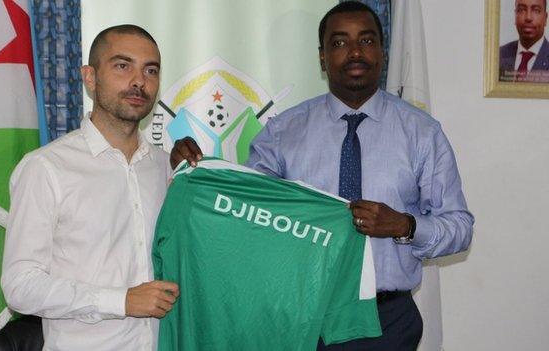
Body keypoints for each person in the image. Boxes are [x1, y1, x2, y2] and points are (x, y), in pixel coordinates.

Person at [171, 2, 474, 350]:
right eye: (340, 42)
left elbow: (460, 227)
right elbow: (247, 216)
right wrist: (195, 171)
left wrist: (405, 226)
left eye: (367, 40)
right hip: (300, 318)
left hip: (386, 321)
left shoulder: (423, 133)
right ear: (322, 57)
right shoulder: (283, 132)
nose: (355, 52)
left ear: (383, 51)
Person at [1, 25, 179, 351]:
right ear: (90, 77)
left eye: (150, 70)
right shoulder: (46, 168)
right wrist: (120, 301)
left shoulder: (166, 168)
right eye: (122, 66)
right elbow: (20, 286)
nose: (139, 81)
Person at [500, 0, 549, 82]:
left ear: (545, 18)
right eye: (522, 10)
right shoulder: (498, 55)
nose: (528, 17)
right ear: (515, 15)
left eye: (536, 10)